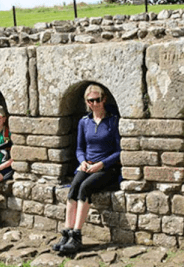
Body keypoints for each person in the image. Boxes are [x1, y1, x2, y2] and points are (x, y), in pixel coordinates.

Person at [52, 84, 121, 254]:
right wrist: (82, 161)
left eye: (98, 100)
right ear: (87, 102)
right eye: (91, 100)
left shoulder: (113, 121)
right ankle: (66, 233)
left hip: (107, 168)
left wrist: (102, 164)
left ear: (104, 99)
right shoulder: (84, 122)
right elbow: (79, 148)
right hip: (88, 165)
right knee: (73, 188)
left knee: (85, 188)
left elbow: (120, 151)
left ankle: (76, 235)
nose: (95, 103)